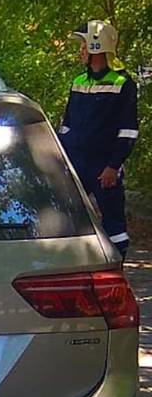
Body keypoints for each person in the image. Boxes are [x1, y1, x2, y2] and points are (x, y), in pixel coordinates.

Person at [57, 20, 138, 257]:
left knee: (114, 228)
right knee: (66, 220)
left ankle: (116, 271)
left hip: (105, 169)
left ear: (96, 46)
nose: (80, 51)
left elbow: (128, 131)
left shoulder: (123, 84)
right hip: (75, 166)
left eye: (83, 46)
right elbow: (67, 126)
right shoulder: (78, 82)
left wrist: (113, 166)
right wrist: (60, 160)